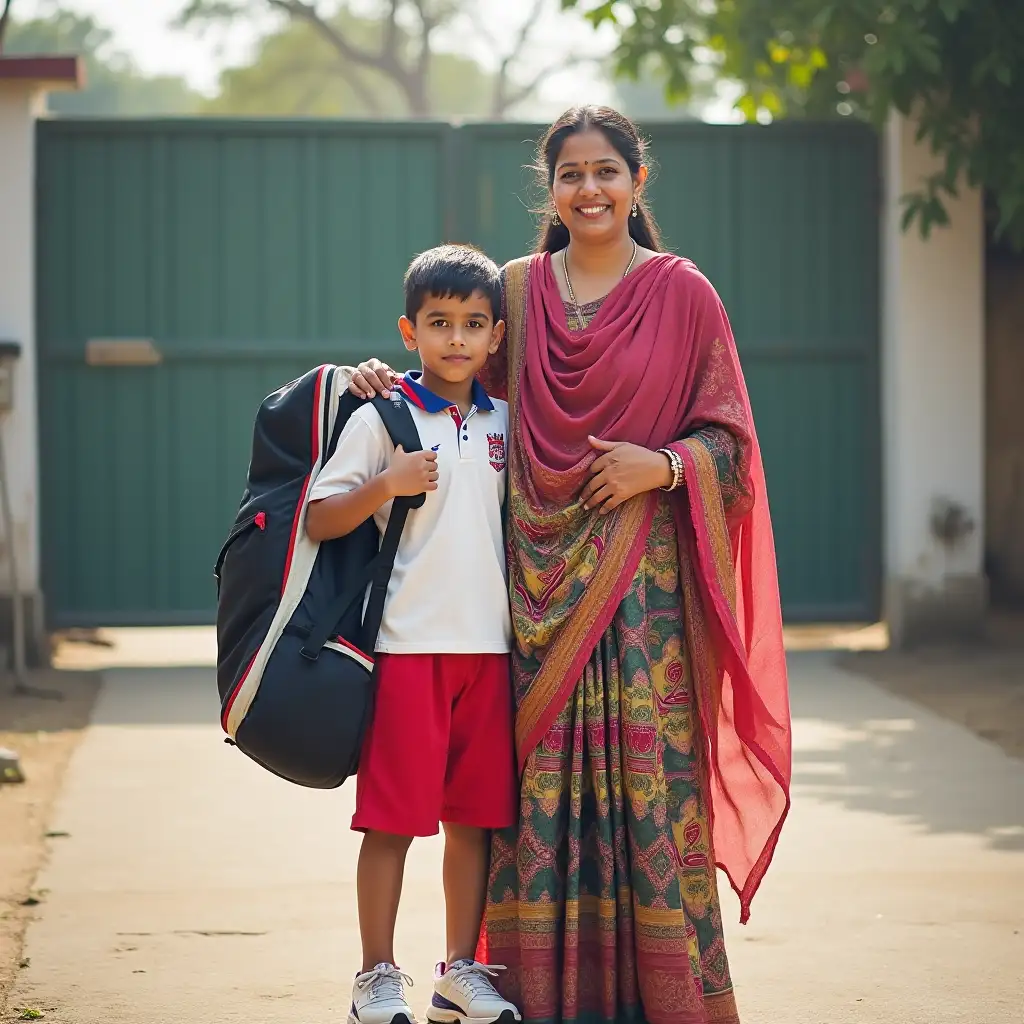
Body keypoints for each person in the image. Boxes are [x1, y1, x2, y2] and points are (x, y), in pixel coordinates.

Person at [345, 106, 792, 1024]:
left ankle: (658, 994)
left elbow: (734, 447)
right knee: (524, 802)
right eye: (571, 174)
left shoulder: (683, 293)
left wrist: (661, 464)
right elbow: (453, 377)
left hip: (643, 599)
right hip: (524, 602)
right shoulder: (515, 293)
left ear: (638, 180)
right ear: (550, 188)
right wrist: (375, 380)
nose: (589, 189)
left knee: (647, 797)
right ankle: (522, 990)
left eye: (606, 172)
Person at [307, 244, 523, 1024]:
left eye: (472, 324)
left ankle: (459, 974)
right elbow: (320, 517)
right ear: (410, 330)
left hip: (491, 655)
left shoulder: (507, 420)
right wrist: (385, 484)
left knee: (474, 824)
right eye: (439, 323)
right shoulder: (383, 416)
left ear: (497, 335)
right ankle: (375, 975)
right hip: (405, 650)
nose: (456, 339)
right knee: (393, 823)